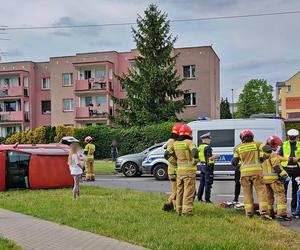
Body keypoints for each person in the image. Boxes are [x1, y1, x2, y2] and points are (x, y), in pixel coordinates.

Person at [231, 130, 270, 219]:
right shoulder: (258, 144)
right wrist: (264, 158)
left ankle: (249, 213)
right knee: (261, 192)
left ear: (242, 138)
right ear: (252, 136)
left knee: (247, 193)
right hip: (257, 172)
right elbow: (268, 149)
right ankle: (264, 212)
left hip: (244, 173)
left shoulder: (237, 148)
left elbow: (234, 162)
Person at [166, 124, 198, 216]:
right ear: (189, 133)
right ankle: (187, 212)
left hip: (179, 172)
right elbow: (195, 152)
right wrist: (195, 161)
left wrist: (175, 162)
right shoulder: (188, 142)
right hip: (189, 172)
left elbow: (166, 154)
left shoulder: (176, 143)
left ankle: (178, 210)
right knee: (188, 191)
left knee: (179, 191)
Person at [261, 136, 290, 221]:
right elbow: (276, 166)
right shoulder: (272, 153)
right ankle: (282, 214)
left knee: (268, 197)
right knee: (280, 195)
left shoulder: (262, 153)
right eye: (276, 146)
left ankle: (270, 213)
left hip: (264, 179)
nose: (277, 147)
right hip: (274, 178)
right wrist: (284, 174)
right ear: (272, 145)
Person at [278, 129, 300, 215]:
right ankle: (282, 210)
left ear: (296, 137)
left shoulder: (299, 144)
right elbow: (278, 156)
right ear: (288, 137)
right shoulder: (284, 144)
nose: (292, 139)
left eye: (293, 138)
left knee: (296, 190)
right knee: (283, 189)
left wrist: (297, 159)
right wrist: (286, 158)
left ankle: (294, 210)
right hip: (286, 169)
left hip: (297, 169)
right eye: (291, 137)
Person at [162, 123, 182, 212]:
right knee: (177, 190)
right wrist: (175, 162)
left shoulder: (171, 141)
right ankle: (169, 205)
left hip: (171, 170)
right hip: (174, 170)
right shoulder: (173, 142)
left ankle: (173, 207)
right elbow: (166, 154)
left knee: (175, 190)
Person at [197, 132, 219, 203]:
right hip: (208, 167)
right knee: (208, 183)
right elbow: (209, 158)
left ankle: (199, 198)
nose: (210, 140)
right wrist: (216, 156)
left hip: (202, 166)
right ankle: (207, 199)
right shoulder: (208, 147)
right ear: (205, 140)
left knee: (202, 183)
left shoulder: (200, 147)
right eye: (209, 139)